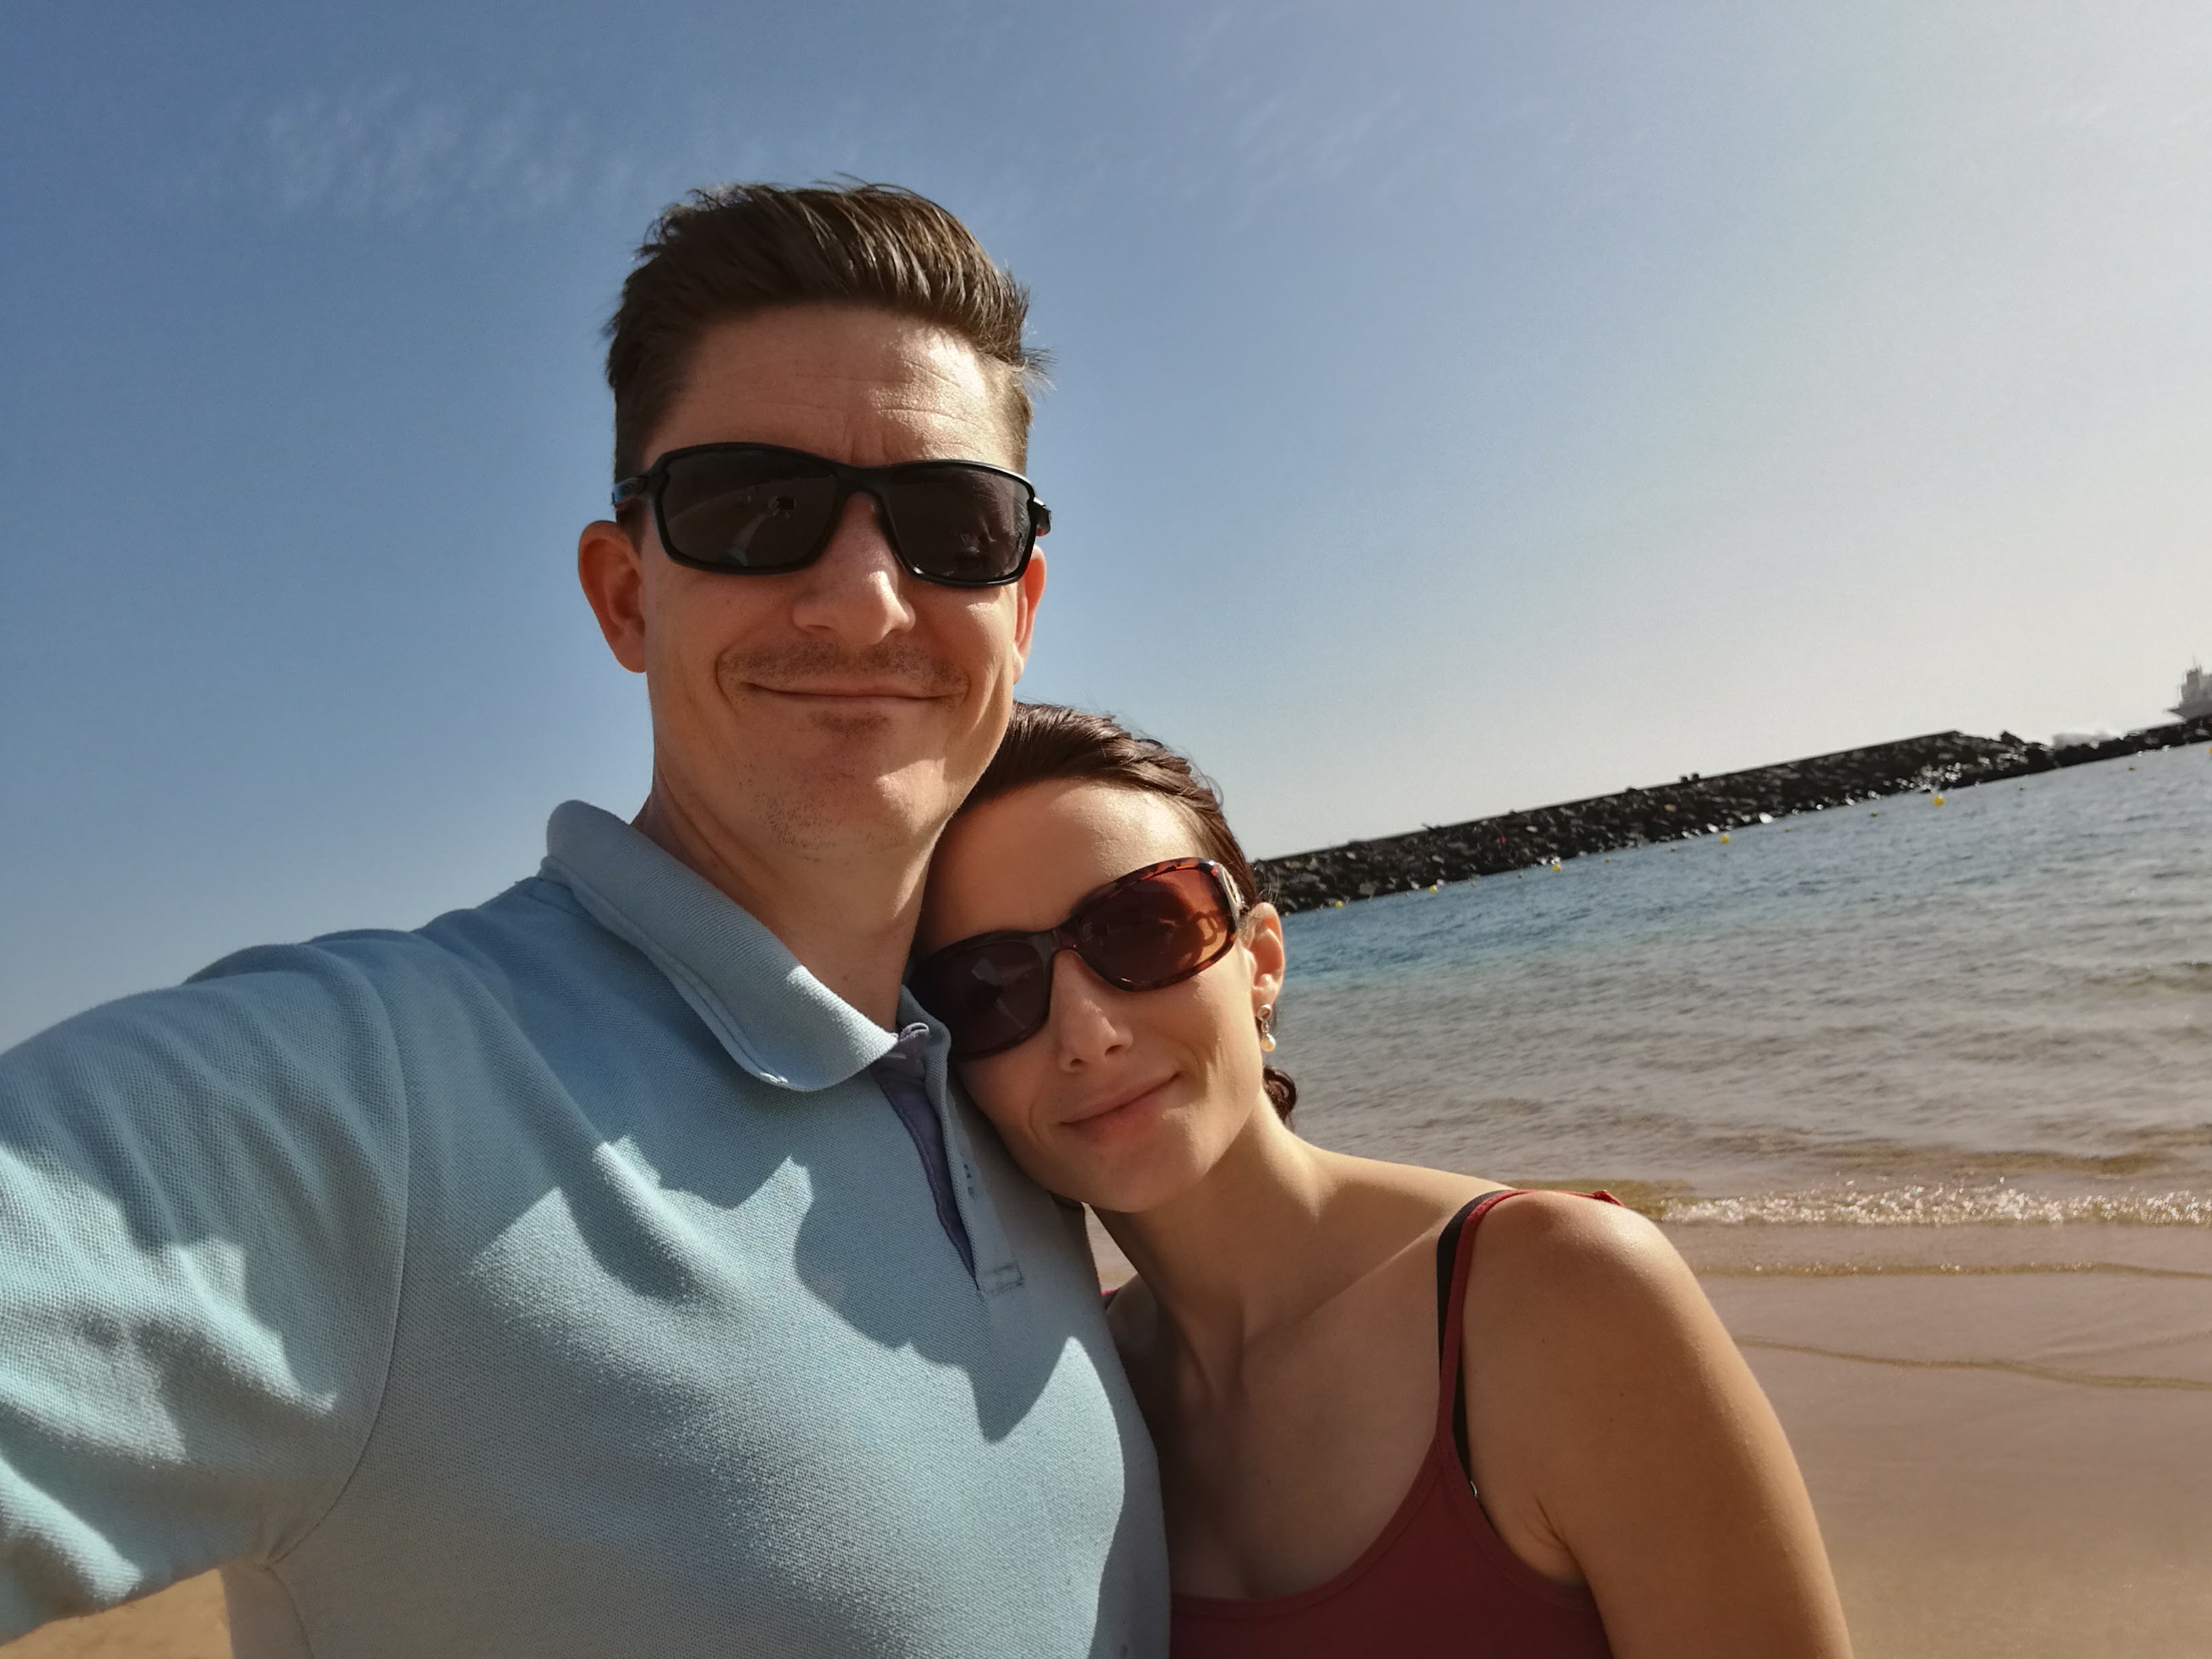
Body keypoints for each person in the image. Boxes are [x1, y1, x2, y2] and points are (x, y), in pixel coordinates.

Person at [0, 185, 1166, 1658]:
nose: (866, 601)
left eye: (953, 524)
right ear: (625, 597)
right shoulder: (384, 1104)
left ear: (1023, 607)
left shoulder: (1009, 1074)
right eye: (757, 509)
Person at [914, 703, 1856, 1658]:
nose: (1089, 1034)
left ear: (1260, 963)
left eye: (1144, 930)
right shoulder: (1067, 1400)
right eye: (993, 987)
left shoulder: (1559, 1297)